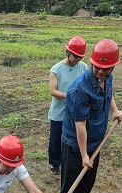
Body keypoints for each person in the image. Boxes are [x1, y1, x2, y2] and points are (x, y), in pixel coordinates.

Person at [57, 39, 122, 193]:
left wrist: (114, 110)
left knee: (87, 182)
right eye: (97, 67)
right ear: (92, 62)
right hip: (76, 144)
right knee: (70, 184)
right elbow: (80, 126)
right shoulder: (79, 89)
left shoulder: (108, 76)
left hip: (96, 140)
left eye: (105, 69)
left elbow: (108, 94)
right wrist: (84, 155)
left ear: (113, 66)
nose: (101, 72)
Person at [47, 36, 89, 175]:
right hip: (60, 111)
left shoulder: (83, 67)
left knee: (72, 138)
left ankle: (69, 161)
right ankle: (54, 163)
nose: (78, 59)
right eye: (75, 56)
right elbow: (53, 91)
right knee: (56, 138)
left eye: (80, 57)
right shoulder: (56, 70)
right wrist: (70, 96)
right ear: (67, 52)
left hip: (76, 110)